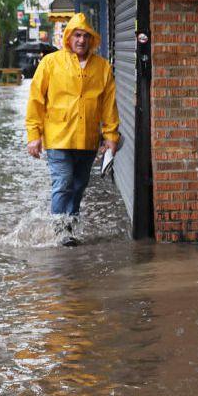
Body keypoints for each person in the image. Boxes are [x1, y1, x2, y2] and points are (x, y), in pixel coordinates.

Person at [25, 13, 119, 247]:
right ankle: (60, 231)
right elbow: (36, 99)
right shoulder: (51, 63)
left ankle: (71, 226)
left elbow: (109, 105)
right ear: (68, 38)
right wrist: (33, 135)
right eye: (77, 35)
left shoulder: (102, 67)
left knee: (78, 185)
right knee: (63, 181)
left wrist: (111, 136)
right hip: (58, 136)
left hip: (87, 138)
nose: (81, 40)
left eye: (86, 36)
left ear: (92, 40)